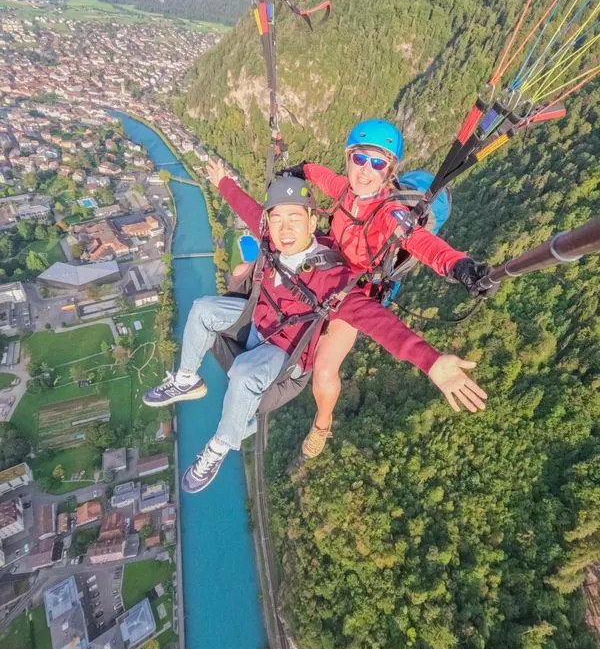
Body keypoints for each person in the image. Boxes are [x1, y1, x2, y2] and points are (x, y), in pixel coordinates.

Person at [143, 159, 487, 493]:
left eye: (294, 219)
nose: (284, 228)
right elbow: (266, 206)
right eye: (278, 220)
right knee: (209, 303)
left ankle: (306, 428)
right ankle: (186, 379)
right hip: (277, 304)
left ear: (310, 223)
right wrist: (230, 181)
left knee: (319, 371)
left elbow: (382, 319)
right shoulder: (348, 199)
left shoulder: (390, 229)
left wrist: (432, 354)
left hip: (324, 309)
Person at [287, 118, 494, 458]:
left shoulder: (390, 214)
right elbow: (319, 174)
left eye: (378, 163)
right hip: (327, 268)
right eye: (360, 158)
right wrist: (300, 170)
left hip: (355, 293)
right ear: (348, 159)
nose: (366, 170)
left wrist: (459, 266)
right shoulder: (344, 190)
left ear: (389, 171)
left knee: (323, 370)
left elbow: (419, 241)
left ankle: (322, 425)